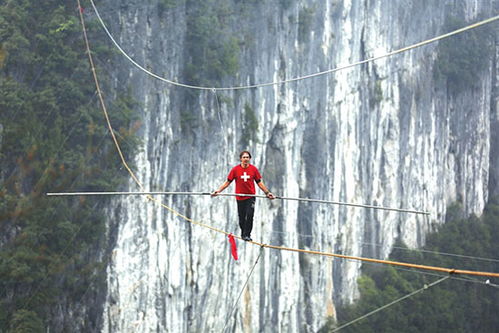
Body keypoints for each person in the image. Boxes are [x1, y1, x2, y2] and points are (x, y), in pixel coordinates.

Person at [211, 150, 275, 241]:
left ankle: (247, 235)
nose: (246, 159)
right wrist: (218, 191)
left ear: (250, 159)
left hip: (250, 197)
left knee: (249, 215)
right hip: (240, 197)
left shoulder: (253, 169)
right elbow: (227, 182)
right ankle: (243, 233)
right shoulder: (235, 170)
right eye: (244, 157)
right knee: (241, 217)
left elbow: (259, 183)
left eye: (247, 157)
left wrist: (267, 193)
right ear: (241, 159)